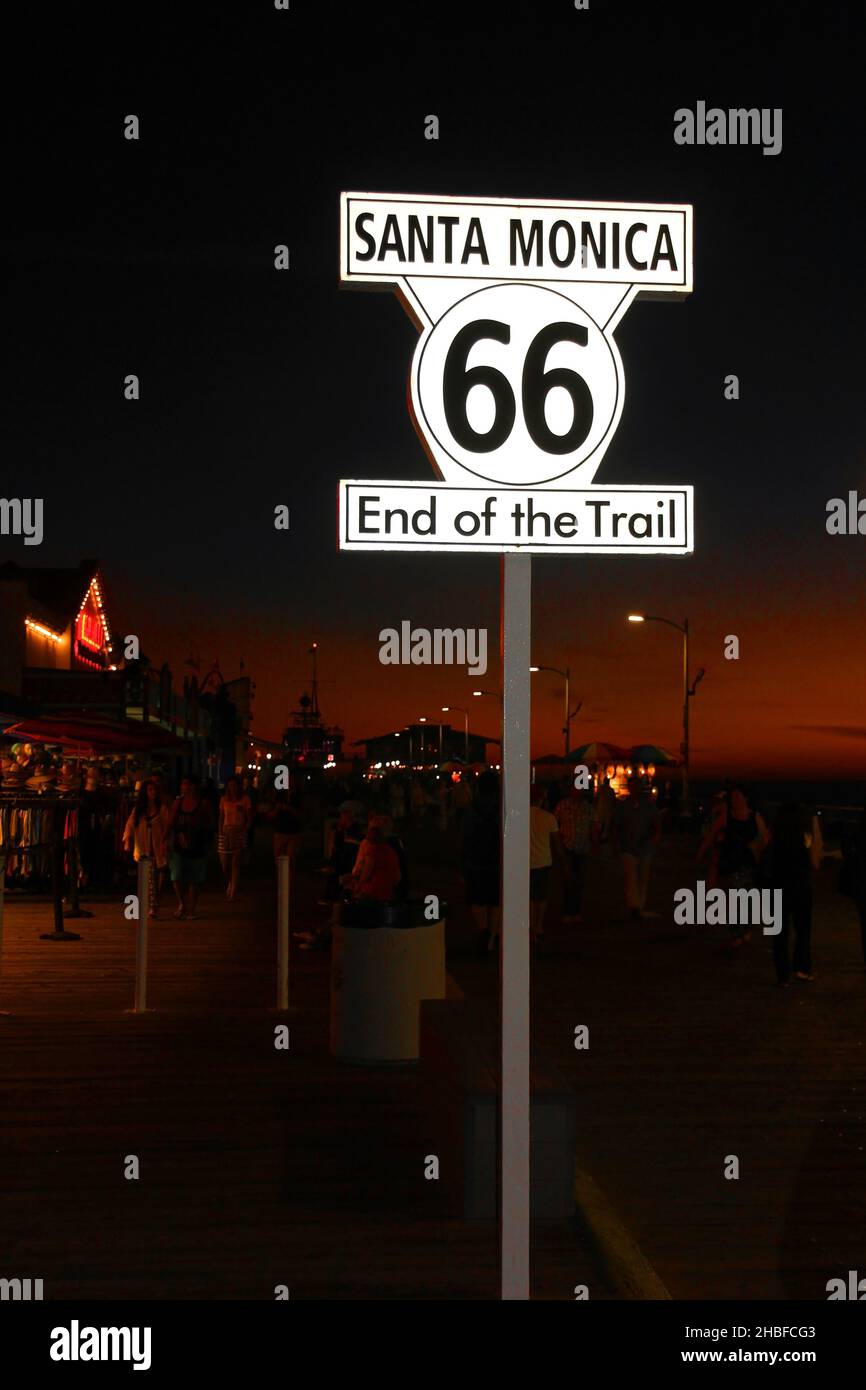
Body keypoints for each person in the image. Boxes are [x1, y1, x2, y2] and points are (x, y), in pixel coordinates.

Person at [763, 801, 821, 986]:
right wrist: (815, 825)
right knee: (802, 931)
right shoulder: (804, 837)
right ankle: (801, 968)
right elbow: (815, 862)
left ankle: (782, 976)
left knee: (779, 934)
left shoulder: (775, 838)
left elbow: (763, 854)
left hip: (777, 888)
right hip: (800, 888)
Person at [714, 785, 769, 946]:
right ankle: (736, 933)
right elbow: (713, 834)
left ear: (746, 798)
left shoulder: (755, 817)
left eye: (738, 796)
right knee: (734, 899)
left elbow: (764, 837)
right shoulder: (727, 817)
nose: (735, 799)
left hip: (749, 864)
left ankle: (744, 929)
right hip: (732, 863)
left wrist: (759, 852)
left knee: (747, 900)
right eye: (733, 796)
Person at [460, 770, 501, 952]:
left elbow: (464, 837)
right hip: (497, 860)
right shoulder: (501, 808)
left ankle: (484, 929)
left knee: (476, 900)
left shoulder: (471, 810)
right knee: (495, 901)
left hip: (475, 860)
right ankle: (492, 935)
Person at [612, 776, 662, 920]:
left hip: (645, 847)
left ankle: (639, 905)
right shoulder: (623, 806)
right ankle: (634, 906)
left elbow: (657, 826)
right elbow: (616, 826)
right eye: (632, 787)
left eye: (637, 787)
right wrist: (616, 844)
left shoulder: (648, 806)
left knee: (642, 878)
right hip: (627, 847)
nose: (634, 790)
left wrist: (653, 840)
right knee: (631, 877)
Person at [166, 775, 214, 920]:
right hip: (179, 845)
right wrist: (164, 840)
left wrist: (208, 841)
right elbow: (171, 822)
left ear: (193, 786)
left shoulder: (203, 804)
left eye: (185, 784)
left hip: (197, 845)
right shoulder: (178, 802)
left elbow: (211, 823)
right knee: (176, 875)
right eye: (182, 784)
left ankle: (191, 909)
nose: (183, 787)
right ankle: (182, 903)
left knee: (195, 878)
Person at [122, 779, 170, 918]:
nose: (153, 792)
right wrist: (127, 841)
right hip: (144, 848)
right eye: (150, 790)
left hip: (158, 847)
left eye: (154, 790)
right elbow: (130, 825)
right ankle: (152, 907)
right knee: (150, 878)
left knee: (159, 877)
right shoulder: (139, 810)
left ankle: (154, 904)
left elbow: (167, 827)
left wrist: (165, 842)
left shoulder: (161, 809)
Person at [529, 782, 564, 948]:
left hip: (525, 862)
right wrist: (562, 859)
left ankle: (530, 927)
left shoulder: (518, 816)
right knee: (540, 897)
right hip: (543, 860)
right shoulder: (549, 818)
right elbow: (556, 842)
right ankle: (539, 925)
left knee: (528, 897)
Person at [554, 781, 594, 922]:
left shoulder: (588, 807)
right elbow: (555, 826)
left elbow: (592, 826)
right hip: (568, 846)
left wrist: (594, 844)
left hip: (582, 848)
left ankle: (576, 910)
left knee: (580, 881)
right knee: (568, 880)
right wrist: (559, 845)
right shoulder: (563, 806)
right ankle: (568, 910)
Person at [218, 776, 252, 901]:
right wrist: (220, 831)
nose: (233, 788)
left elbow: (249, 818)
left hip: (238, 830)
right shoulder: (223, 799)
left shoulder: (245, 799)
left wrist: (244, 829)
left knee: (236, 862)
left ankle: (233, 891)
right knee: (225, 863)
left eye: (235, 785)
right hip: (226, 831)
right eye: (230, 785)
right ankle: (230, 882)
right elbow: (221, 817)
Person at [267, 786, 303, 869]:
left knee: (290, 861)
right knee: (279, 862)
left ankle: (289, 880)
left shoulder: (299, 797)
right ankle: (281, 880)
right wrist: (277, 809)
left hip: (293, 832)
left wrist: (291, 809)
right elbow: (269, 816)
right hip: (280, 832)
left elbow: (302, 816)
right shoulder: (278, 796)